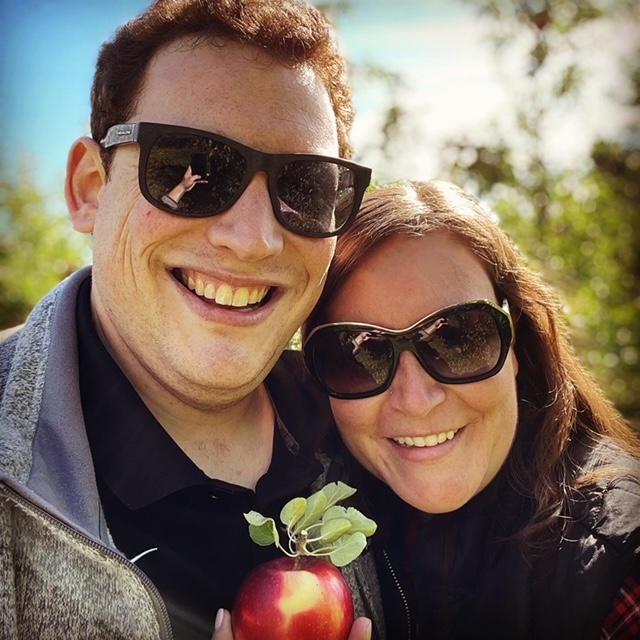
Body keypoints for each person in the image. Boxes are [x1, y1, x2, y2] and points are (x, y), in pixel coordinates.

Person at [0, 2, 378, 639]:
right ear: (90, 187)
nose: (254, 239)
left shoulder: (387, 423)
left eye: (306, 186)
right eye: (188, 169)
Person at [303, 180, 640, 639]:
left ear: (515, 340)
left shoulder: (621, 564)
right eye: (359, 354)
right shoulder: (312, 529)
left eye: (457, 337)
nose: (415, 399)